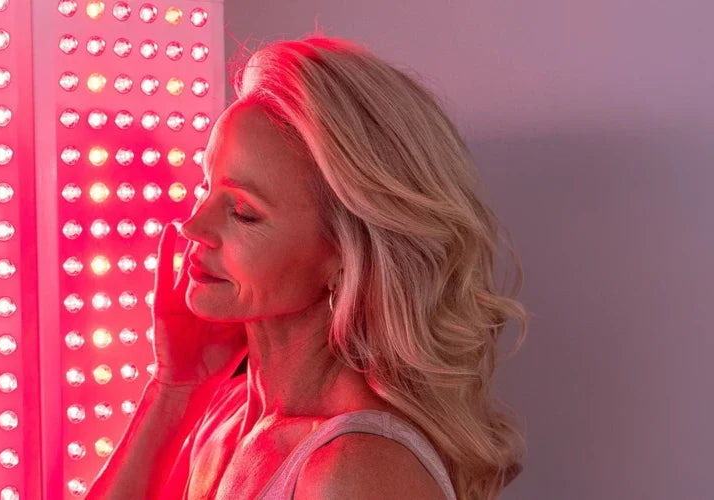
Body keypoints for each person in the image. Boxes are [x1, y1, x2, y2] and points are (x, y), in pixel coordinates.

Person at [87, 36, 529, 500]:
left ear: (343, 254)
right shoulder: (226, 417)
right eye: (205, 186)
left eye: (242, 211)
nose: (193, 225)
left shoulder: (358, 472)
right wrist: (175, 387)